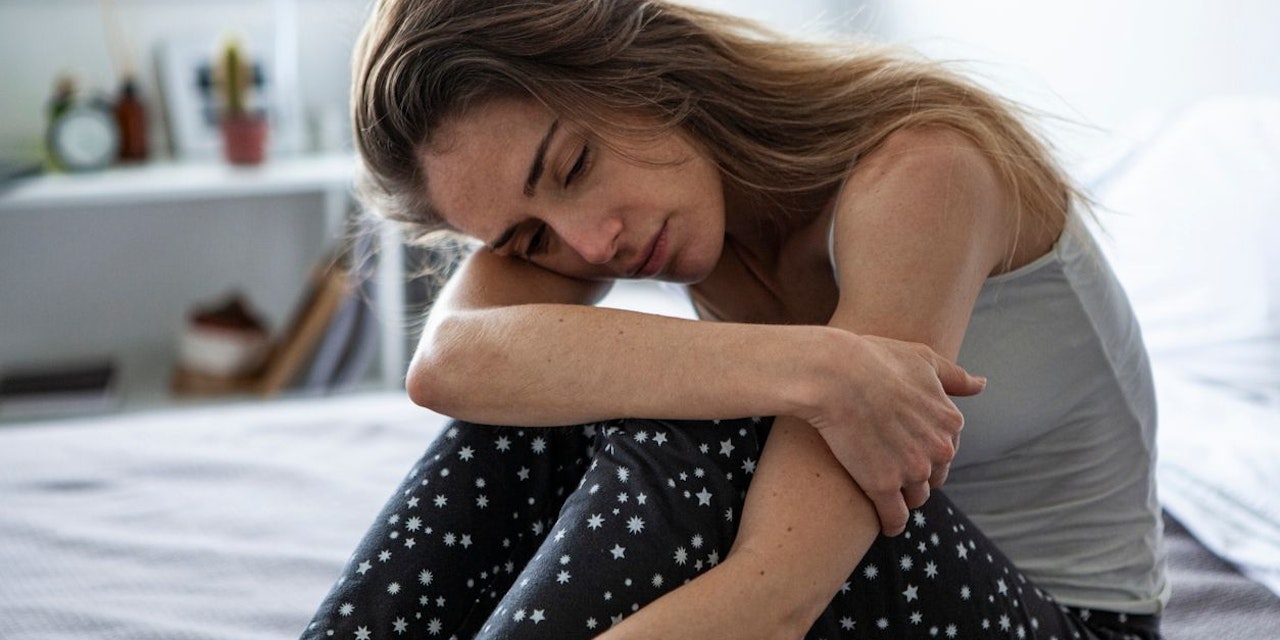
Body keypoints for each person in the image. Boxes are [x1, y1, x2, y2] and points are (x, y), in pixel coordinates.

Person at [301, 0, 1168, 638]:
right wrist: (820, 368)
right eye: (530, 240)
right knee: (535, 404)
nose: (591, 245)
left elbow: (772, 601)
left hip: (1062, 622)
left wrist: (784, 378)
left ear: (641, 67)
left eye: (572, 166)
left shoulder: (922, 169)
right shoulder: (633, 225)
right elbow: (451, 363)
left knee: (704, 421)